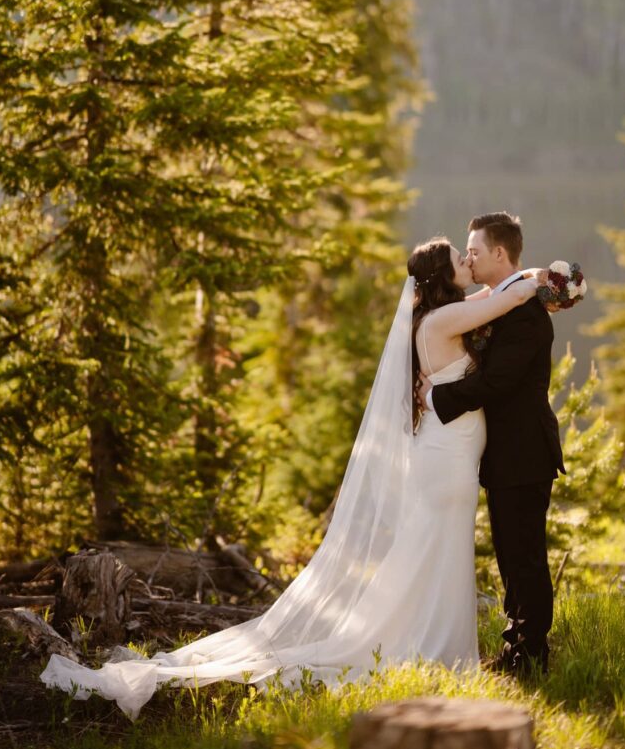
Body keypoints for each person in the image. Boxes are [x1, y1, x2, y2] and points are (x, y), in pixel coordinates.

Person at [40, 235, 541, 719]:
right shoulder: (446, 317)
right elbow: (508, 298)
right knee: (439, 552)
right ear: (440, 275)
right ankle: (433, 650)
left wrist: (513, 286)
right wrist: (547, 279)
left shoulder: (436, 315)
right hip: (446, 461)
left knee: (438, 553)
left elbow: (486, 301)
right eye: (459, 255)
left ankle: (439, 646)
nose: (466, 259)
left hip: (448, 456)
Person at [418, 212, 565, 677]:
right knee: (510, 555)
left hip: (524, 452)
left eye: (475, 251)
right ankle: (516, 646)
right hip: (503, 456)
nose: (471, 258)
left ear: (500, 253)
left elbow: (497, 383)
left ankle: (530, 656)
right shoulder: (503, 302)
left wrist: (437, 395)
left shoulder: (525, 315)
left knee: (525, 557)